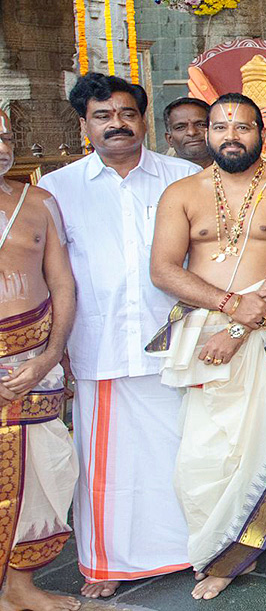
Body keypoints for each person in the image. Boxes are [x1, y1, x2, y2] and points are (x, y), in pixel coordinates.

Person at [147, 94, 266, 600]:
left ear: (262, 132)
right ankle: (225, 554)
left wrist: (241, 326)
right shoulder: (182, 193)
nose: (231, 136)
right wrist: (228, 306)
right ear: (207, 133)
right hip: (206, 340)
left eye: (243, 127)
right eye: (221, 126)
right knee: (208, 452)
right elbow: (163, 270)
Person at [39, 73, 193, 599]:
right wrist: (50, 350)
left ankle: (193, 550)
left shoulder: (182, 177)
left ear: (144, 119)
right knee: (106, 467)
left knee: (182, 454)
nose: (117, 124)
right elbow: (50, 278)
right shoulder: (56, 191)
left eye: (127, 113)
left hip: (177, 346)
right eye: (102, 116)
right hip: (101, 348)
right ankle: (107, 564)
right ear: (84, 125)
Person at [0, 106, 80, 611]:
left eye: (5, 136)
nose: (1, 146)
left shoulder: (40, 201)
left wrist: (49, 357)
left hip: (36, 358)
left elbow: (63, 285)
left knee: (46, 471)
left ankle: (20, 586)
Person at [162, 97, 212, 168]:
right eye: (180, 127)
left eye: (201, 125)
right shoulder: (162, 175)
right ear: (169, 139)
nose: (192, 132)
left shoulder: (232, 171)